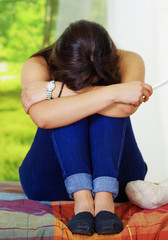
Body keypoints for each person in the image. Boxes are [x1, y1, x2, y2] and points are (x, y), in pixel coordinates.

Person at [19, 20, 153, 236]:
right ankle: (82, 201)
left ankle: (104, 200)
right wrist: (114, 93)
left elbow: (125, 109)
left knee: (74, 103)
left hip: (120, 179)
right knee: (63, 112)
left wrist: (54, 90)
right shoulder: (37, 65)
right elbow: (44, 117)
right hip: (51, 180)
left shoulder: (129, 60)